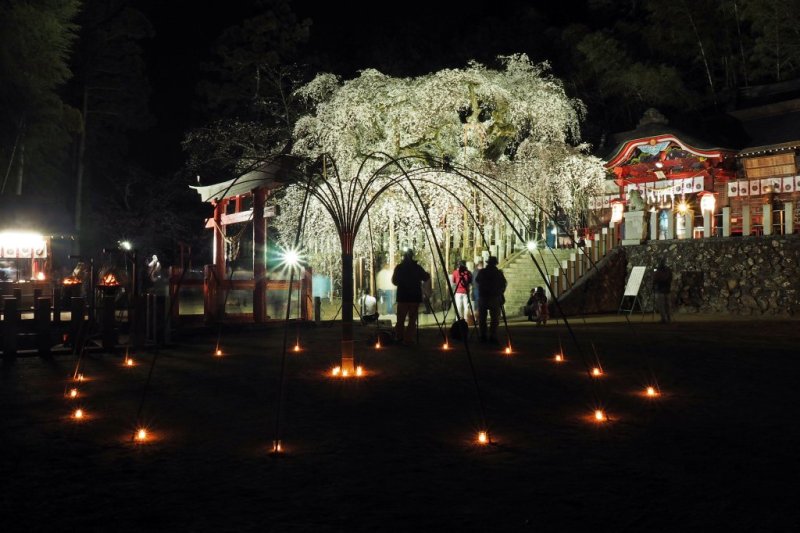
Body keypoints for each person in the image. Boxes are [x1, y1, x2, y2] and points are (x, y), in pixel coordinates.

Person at [391, 249, 430, 344]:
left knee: (400, 319)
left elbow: (394, 281)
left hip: (402, 297)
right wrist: (426, 274)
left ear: (403, 256)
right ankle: (408, 339)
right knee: (412, 320)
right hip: (414, 297)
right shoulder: (417, 267)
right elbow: (425, 277)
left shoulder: (399, 268)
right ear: (412, 256)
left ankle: (399, 336)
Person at [474, 256, 506, 344]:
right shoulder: (498, 273)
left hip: (484, 297)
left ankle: (483, 335)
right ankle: (493, 335)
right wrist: (500, 292)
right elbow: (503, 284)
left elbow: (477, 281)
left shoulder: (483, 272)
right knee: (494, 318)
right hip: (494, 297)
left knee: (482, 318)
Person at [653, 258, 672, 323]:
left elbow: (655, 279)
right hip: (666, 289)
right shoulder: (668, 270)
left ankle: (664, 318)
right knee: (667, 305)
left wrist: (653, 285)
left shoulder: (659, 271)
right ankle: (668, 318)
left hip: (661, 289)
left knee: (662, 305)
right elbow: (670, 278)